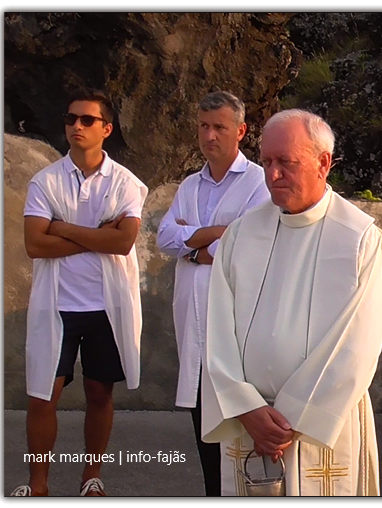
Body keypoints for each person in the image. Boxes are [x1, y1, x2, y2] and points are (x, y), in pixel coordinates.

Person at [200, 109, 382, 496]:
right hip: (249, 424)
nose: (272, 174)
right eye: (266, 161)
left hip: (319, 429)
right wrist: (246, 407)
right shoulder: (241, 234)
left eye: (286, 162)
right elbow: (216, 330)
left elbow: (357, 345)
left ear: (323, 163)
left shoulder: (357, 237)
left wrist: (292, 419)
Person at [14, 89, 148, 497]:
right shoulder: (45, 181)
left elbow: (123, 242)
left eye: (87, 120)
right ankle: (38, 485)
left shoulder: (126, 183)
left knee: (98, 392)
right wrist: (98, 235)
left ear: (106, 129)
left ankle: (92, 476)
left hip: (105, 305)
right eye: (71, 119)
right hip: (58, 305)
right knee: (42, 396)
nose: (76, 126)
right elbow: (36, 244)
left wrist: (63, 227)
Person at [156, 91, 270, 496]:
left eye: (219, 126)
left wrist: (193, 246)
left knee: (239, 435)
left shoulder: (258, 181)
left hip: (236, 328)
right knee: (205, 431)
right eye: (203, 126)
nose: (209, 135)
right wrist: (212, 238)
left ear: (240, 131)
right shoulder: (190, 184)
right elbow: (166, 237)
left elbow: (248, 241)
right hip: (195, 323)